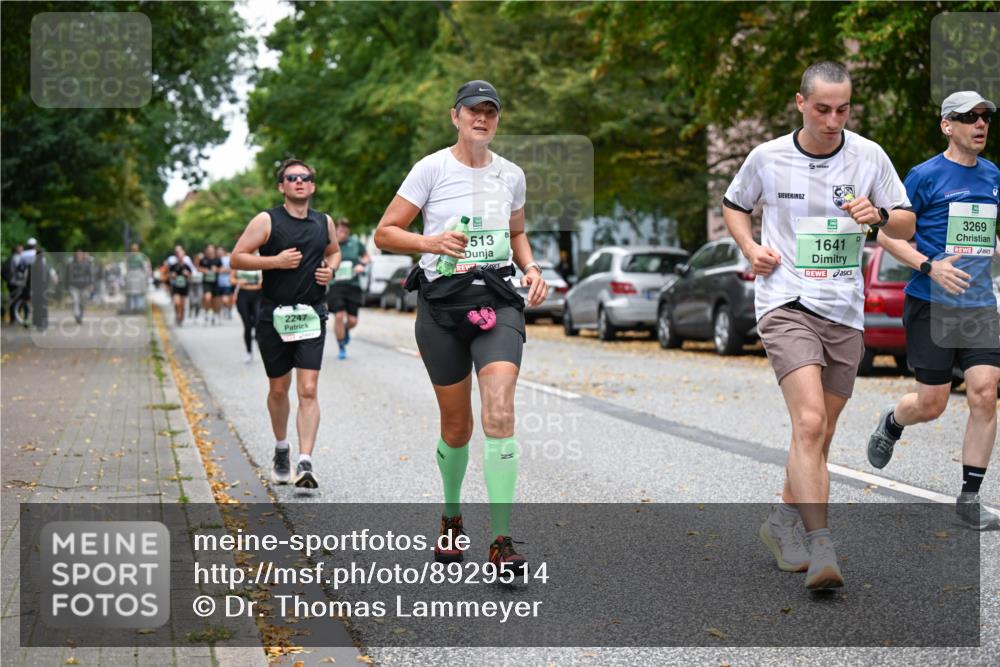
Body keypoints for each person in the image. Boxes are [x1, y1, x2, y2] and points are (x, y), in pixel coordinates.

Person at [722, 62, 915, 589]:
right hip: (786, 301)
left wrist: (875, 214)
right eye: (823, 108)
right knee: (808, 423)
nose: (834, 120)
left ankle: (781, 522)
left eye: (843, 109)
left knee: (821, 436)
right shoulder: (768, 157)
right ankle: (821, 545)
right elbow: (734, 205)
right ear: (801, 103)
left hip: (845, 309)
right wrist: (750, 248)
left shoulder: (868, 155)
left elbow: (906, 220)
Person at [374, 80, 548, 572]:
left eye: (490, 111)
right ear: (456, 116)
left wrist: (532, 269)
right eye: (473, 110)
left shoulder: (511, 174)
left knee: (498, 412)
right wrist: (433, 244)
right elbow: (384, 233)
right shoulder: (431, 168)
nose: (482, 118)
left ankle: (501, 539)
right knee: (456, 426)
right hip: (442, 308)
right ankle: (451, 517)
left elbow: (517, 233)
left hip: (497, 302)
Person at [867, 91, 1000, 529]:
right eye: (969, 117)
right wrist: (930, 266)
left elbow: (985, 235)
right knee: (932, 404)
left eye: (985, 117)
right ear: (947, 125)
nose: (980, 124)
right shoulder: (924, 176)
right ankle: (892, 421)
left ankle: (969, 497)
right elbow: (888, 237)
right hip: (931, 302)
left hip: (979, 304)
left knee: (985, 391)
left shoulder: (993, 174)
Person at [230, 158, 339, 490]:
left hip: (311, 315)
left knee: (308, 389)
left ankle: (305, 461)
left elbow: (333, 252)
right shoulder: (267, 220)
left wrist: (330, 269)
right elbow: (237, 257)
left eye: (306, 178)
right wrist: (274, 262)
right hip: (274, 315)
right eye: (292, 178)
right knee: (279, 389)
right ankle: (282, 448)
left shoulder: (324, 222)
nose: (299, 182)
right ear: (282, 186)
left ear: (313, 186)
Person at [326, 218, 370, 359]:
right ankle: (341, 345)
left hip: (353, 285)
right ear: (335, 231)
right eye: (340, 231)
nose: (343, 234)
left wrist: (362, 264)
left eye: (345, 231)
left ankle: (344, 331)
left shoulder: (355, 243)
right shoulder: (329, 244)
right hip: (335, 285)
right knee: (339, 316)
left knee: (352, 321)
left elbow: (366, 256)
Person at [233, 262, 263, 363]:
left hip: (257, 297)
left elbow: (261, 284)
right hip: (242, 297)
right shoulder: (239, 262)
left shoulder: (259, 261)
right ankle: (248, 352)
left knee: (258, 322)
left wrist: (246, 285)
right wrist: (238, 282)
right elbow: (231, 279)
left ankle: (260, 345)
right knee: (247, 325)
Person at [166, 245, 195, 326]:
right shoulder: (173, 265)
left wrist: (188, 274)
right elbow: (167, 274)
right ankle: (177, 315)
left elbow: (192, 275)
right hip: (176, 286)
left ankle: (181, 317)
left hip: (184, 287)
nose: (180, 256)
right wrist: (172, 275)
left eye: (181, 255)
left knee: (182, 304)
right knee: (177, 303)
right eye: (178, 255)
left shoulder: (187, 266)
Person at [66, 249, 96, 324]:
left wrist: (91, 284)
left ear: (82, 256)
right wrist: (68, 285)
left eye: (80, 255)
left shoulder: (87, 264)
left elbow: (91, 275)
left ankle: (80, 315)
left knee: (82, 302)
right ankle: (77, 315)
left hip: (84, 286)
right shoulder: (71, 264)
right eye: (77, 255)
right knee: (75, 300)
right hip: (74, 286)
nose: (78, 256)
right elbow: (67, 276)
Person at [124, 243, 151, 314]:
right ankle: (134, 307)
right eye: (133, 249)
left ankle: (139, 307)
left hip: (138, 274)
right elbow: (127, 266)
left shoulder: (139, 256)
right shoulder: (131, 257)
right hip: (133, 274)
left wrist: (146, 275)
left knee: (139, 292)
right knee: (133, 292)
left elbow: (144, 266)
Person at [200, 244, 221, 325]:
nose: (210, 250)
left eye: (211, 249)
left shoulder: (217, 260)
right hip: (206, 282)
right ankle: (206, 312)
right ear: (207, 250)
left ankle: (215, 315)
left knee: (215, 300)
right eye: (208, 249)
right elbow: (198, 268)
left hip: (215, 282)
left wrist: (217, 269)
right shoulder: (203, 259)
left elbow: (222, 269)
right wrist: (203, 270)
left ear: (214, 250)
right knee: (207, 297)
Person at [217, 246, 235, 320]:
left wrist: (222, 270)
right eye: (218, 251)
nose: (219, 253)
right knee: (220, 299)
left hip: (227, 282)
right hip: (218, 282)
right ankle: (224, 310)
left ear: (224, 251)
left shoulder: (228, 259)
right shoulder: (216, 259)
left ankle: (228, 309)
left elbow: (232, 269)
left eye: (220, 251)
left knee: (225, 299)